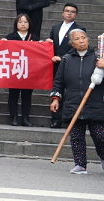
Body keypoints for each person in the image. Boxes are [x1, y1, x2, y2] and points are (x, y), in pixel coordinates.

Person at [50, 29, 104, 175]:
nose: (81, 41)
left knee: (100, 135)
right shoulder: (67, 59)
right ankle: (80, 164)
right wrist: (56, 98)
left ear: (87, 39)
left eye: (83, 38)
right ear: (72, 43)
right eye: (77, 39)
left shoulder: (98, 58)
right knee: (76, 136)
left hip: (95, 103)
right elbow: (59, 81)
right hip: (73, 103)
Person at [46, 3, 85, 128]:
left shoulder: (80, 29)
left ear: (76, 15)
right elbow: (51, 43)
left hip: (72, 65)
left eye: (72, 11)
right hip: (56, 65)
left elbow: (79, 48)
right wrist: (47, 42)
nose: (69, 13)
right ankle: (56, 119)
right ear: (63, 13)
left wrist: (63, 58)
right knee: (57, 91)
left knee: (71, 93)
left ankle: (71, 119)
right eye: (67, 11)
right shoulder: (55, 27)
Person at [1, 13, 39, 127]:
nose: (23, 24)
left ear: (29, 24)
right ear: (16, 24)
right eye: (20, 22)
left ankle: (26, 118)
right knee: (13, 95)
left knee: (27, 96)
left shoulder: (34, 38)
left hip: (29, 71)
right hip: (14, 70)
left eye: (25, 22)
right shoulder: (10, 37)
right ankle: (14, 117)